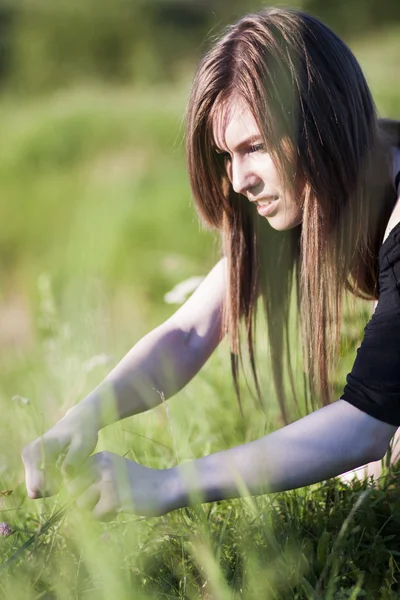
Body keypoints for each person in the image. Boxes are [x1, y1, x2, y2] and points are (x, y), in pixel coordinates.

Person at [22, 7, 400, 520]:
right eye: (227, 154)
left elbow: (366, 425)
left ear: (321, 125)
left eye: (257, 146)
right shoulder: (323, 185)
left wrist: (169, 485)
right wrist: (87, 414)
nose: (239, 179)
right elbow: (192, 330)